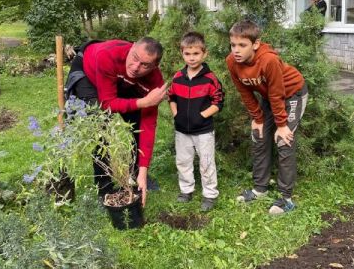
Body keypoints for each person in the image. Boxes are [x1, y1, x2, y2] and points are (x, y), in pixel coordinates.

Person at [65, 37, 167, 206]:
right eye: (135, 58)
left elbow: (148, 126)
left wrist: (143, 171)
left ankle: (137, 177)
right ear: (132, 47)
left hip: (121, 81)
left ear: (154, 67)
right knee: (99, 126)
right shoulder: (108, 55)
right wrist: (143, 102)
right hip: (89, 73)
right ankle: (104, 188)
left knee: (137, 123)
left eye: (145, 65)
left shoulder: (154, 82)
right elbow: (107, 103)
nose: (135, 67)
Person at [226, 20, 308, 215]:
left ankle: (286, 198)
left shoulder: (268, 60)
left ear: (255, 44)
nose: (236, 50)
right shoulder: (232, 62)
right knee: (259, 136)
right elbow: (245, 91)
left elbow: (277, 92)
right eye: (233, 45)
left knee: (283, 140)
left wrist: (281, 125)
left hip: (292, 94)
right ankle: (260, 189)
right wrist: (257, 117)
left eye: (242, 45)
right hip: (270, 97)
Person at [168, 32, 224, 212]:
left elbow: (218, 102)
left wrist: (202, 116)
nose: (191, 58)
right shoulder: (178, 77)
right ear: (182, 54)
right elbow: (172, 97)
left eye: (196, 54)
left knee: (206, 162)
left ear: (204, 54)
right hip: (182, 130)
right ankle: (186, 190)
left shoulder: (210, 79)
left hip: (204, 131)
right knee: (183, 161)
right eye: (187, 54)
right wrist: (176, 114)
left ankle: (209, 194)